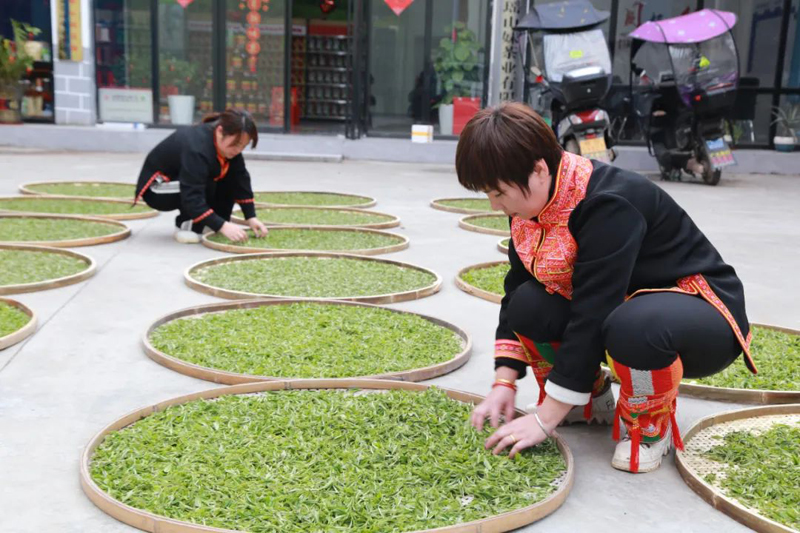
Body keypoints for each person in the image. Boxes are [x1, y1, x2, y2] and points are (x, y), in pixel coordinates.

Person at [458, 103, 754, 473]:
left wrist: (545, 417)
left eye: (499, 193)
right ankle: (588, 400)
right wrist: (504, 382)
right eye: (487, 193)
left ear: (538, 169)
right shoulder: (533, 205)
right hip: (624, 307)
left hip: (699, 313)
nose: (494, 203)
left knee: (632, 326)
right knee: (525, 304)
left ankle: (649, 426)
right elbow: (518, 284)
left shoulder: (607, 203)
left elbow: (594, 309)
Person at [133, 108, 268, 244]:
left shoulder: (229, 148)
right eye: (236, 144)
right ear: (220, 131)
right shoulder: (197, 146)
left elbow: (240, 178)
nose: (238, 150)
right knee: (205, 181)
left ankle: (210, 223)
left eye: (243, 146)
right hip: (157, 188)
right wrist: (222, 226)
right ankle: (186, 227)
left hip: (183, 181)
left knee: (228, 176)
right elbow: (192, 193)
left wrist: (251, 217)